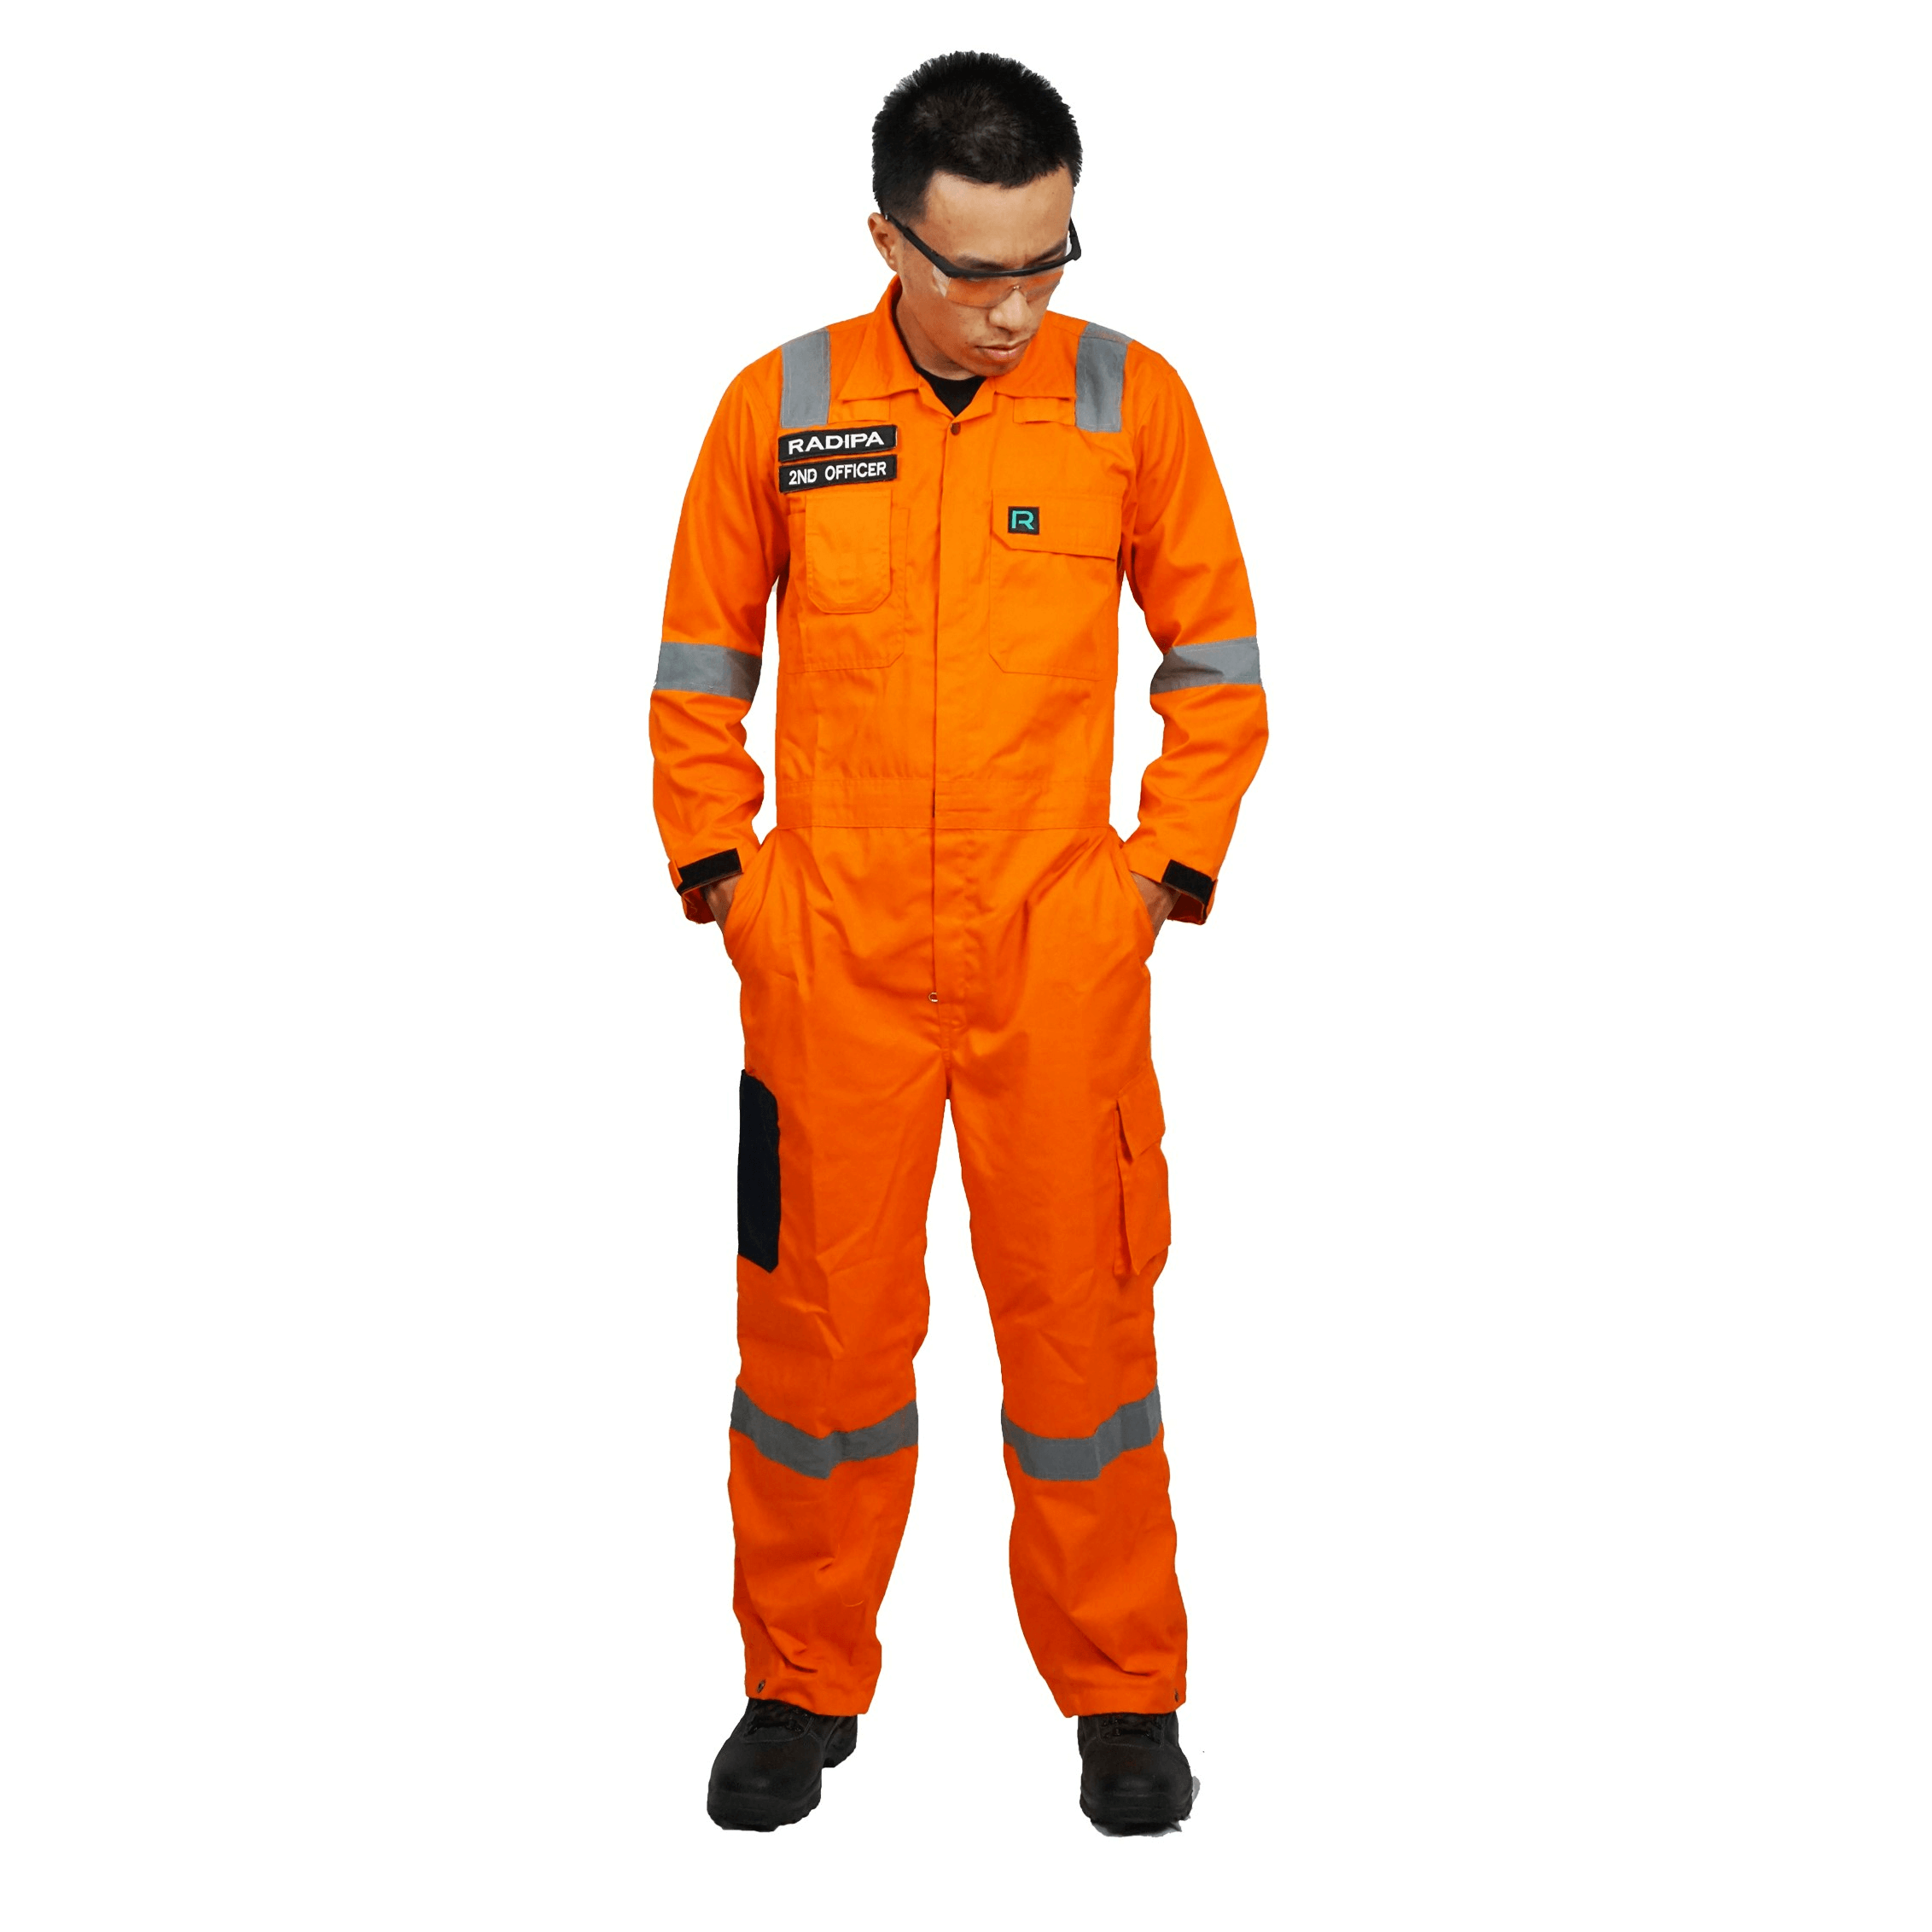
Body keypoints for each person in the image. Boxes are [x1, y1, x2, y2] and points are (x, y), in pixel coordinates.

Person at [650, 50, 1266, 1832]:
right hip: (828, 957)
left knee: (1086, 1341)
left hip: (1051, 951)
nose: (1017, 307)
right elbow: (697, 677)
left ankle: (1125, 1693)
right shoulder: (779, 409)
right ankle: (798, 1679)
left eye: (1048, 260)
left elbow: (1218, 669)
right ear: (887, 239)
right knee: (814, 1343)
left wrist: (1151, 881)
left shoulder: (1128, 402)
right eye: (979, 270)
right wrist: (731, 884)